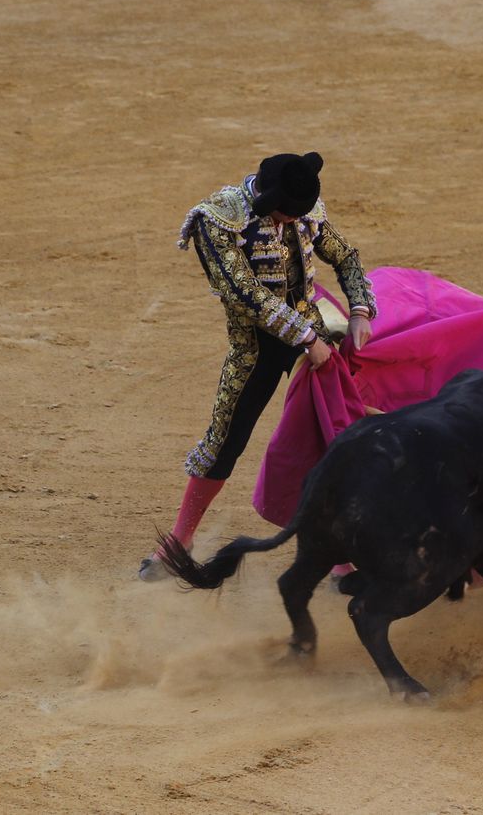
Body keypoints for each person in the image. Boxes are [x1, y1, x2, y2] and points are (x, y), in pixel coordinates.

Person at [138, 152, 377, 581]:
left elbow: (345, 255)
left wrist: (359, 308)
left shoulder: (303, 209)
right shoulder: (218, 220)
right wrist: (306, 339)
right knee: (224, 440)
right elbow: (244, 295)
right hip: (256, 347)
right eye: (287, 215)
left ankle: (339, 555)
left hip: (312, 333)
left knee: (329, 434)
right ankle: (181, 538)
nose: (293, 223)